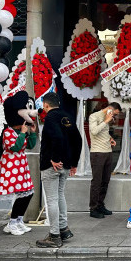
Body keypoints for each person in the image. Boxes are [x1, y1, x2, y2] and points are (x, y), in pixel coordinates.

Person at [37, 93, 81, 248]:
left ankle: (54, 235)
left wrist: (54, 158)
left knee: (52, 200)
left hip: (52, 165)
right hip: (67, 163)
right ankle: (64, 228)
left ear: (46, 105)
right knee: (60, 195)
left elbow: (57, 138)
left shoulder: (50, 118)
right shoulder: (67, 116)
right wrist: (74, 162)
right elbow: (78, 139)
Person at [0, 91, 37, 236]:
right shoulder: (8, 132)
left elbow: (30, 145)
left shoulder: (21, 131)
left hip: (21, 166)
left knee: (28, 194)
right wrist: (22, 133)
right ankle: (12, 222)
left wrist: (31, 133)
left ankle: (19, 220)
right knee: (21, 195)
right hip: (12, 167)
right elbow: (14, 147)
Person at [87, 102, 121, 219]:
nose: (114, 117)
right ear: (110, 109)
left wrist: (110, 139)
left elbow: (103, 133)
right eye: (114, 113)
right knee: (96, 182)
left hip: (108, 152)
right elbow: (94, 131)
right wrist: (106, 120)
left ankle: (100, 205)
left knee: (105, 181)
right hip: (97, 152)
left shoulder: (107, 118)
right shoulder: (94, 116)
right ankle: (93, 208)